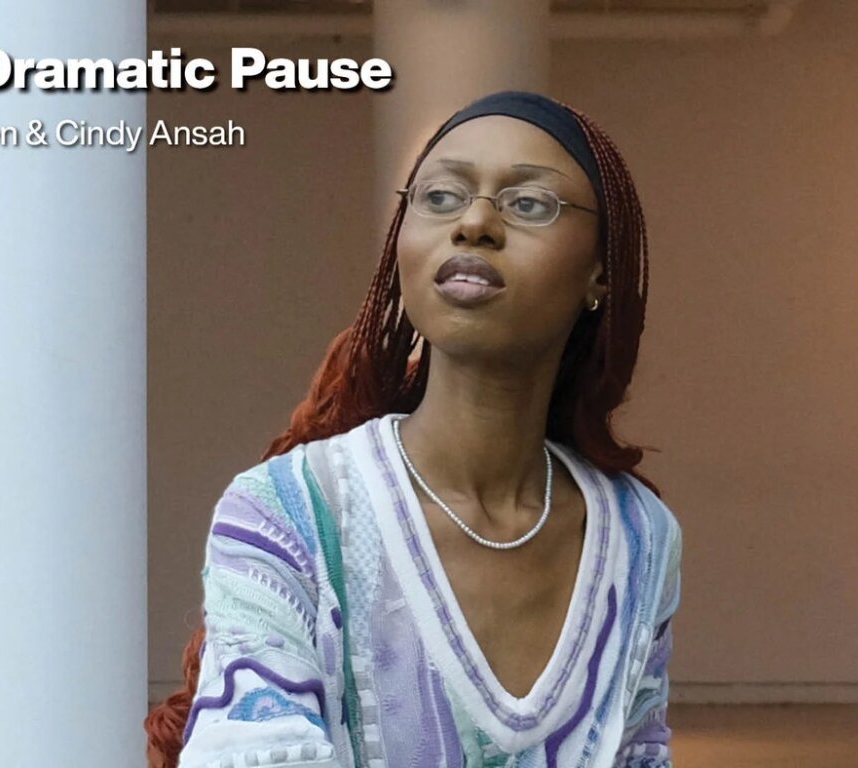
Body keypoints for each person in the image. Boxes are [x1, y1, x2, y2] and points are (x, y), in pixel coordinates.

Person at [145, 90, 683, 768]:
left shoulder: (639, 537)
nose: (475, 223)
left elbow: (640, 754)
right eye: (440, 197)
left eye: (528, 203)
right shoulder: (289, 511)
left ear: (600, 271)